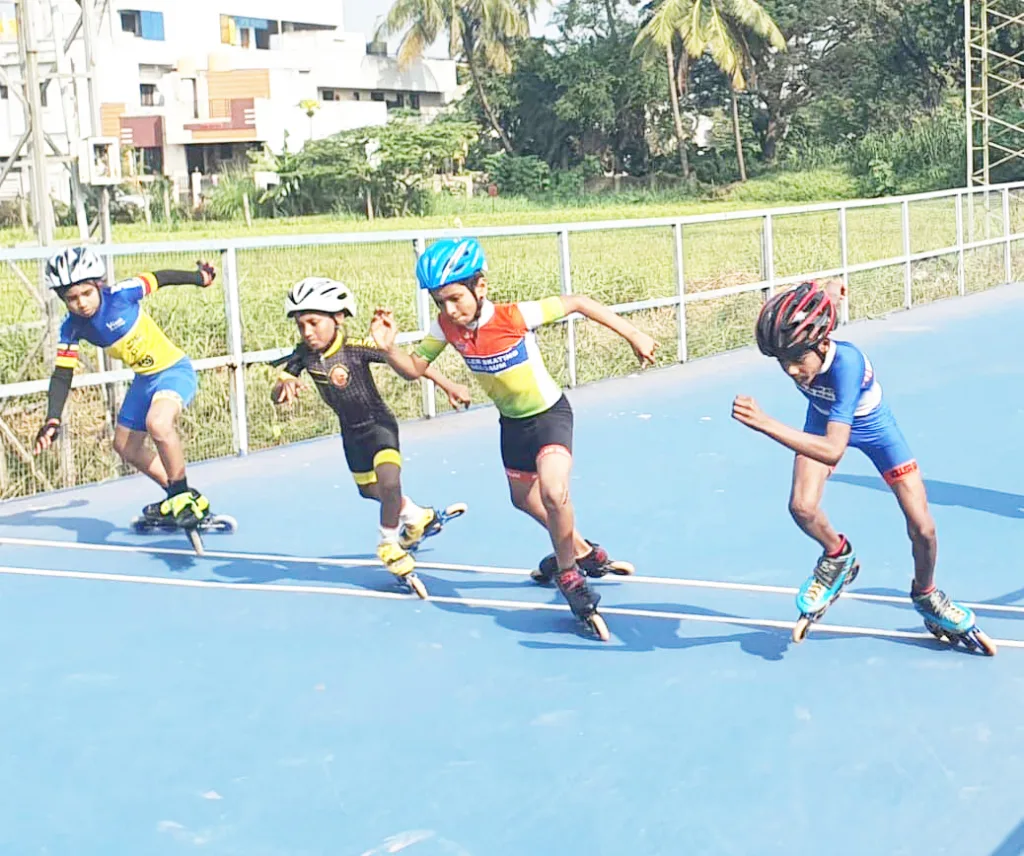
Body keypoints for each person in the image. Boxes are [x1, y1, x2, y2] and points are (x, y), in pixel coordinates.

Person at [369, 237, 657, 640]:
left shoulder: (514, 316)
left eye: (455, 298)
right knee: (523, 499)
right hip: (512, 425)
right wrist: (388, 349)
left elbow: (577, 302)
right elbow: (415, 368)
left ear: (480, 287)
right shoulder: (447, 328)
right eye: (439, 302)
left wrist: (634, 335)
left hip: (549, 416)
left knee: (555, 494)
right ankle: (584, 551)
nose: (449, 310)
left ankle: (570, 574)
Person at [731, 280, 995, 654]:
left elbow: (832, 450)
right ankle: (838, 556)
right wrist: (831, 293)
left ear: (822, 345)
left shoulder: (847, 364)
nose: (790, 370)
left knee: (924, 528)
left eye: (796, 360)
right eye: (781, 362)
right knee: (802, 507)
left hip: (874, 431)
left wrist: (765, 422)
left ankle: (927, 595)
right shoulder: (809, 347)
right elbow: (822, 300)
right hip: (821, 420)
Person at [271, 277, 471, 597]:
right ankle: (418, 517)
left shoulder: (357, 348)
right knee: (371, 492)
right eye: (300, 325)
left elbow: (411, 365)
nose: (307, 332)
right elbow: (280, 385)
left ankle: (389, 544)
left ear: (337, 318)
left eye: (313, 322)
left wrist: (449, 385)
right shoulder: (303, 356)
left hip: (379, 426)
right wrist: (282, 388)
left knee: (390, 483)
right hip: (351, 436)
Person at [34, 246, 217, 530]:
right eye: (71, 298)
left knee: (157, 423)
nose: (81, 303)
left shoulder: (122, 294)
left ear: (98, 285)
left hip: (173, 370)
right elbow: (61, 375)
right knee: (125, 447)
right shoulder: (71, 329)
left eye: (86, 293)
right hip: (144, 380)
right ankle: (181, 495)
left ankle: (180, 495)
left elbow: (162, 277)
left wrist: (200, 278)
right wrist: (52, 418)